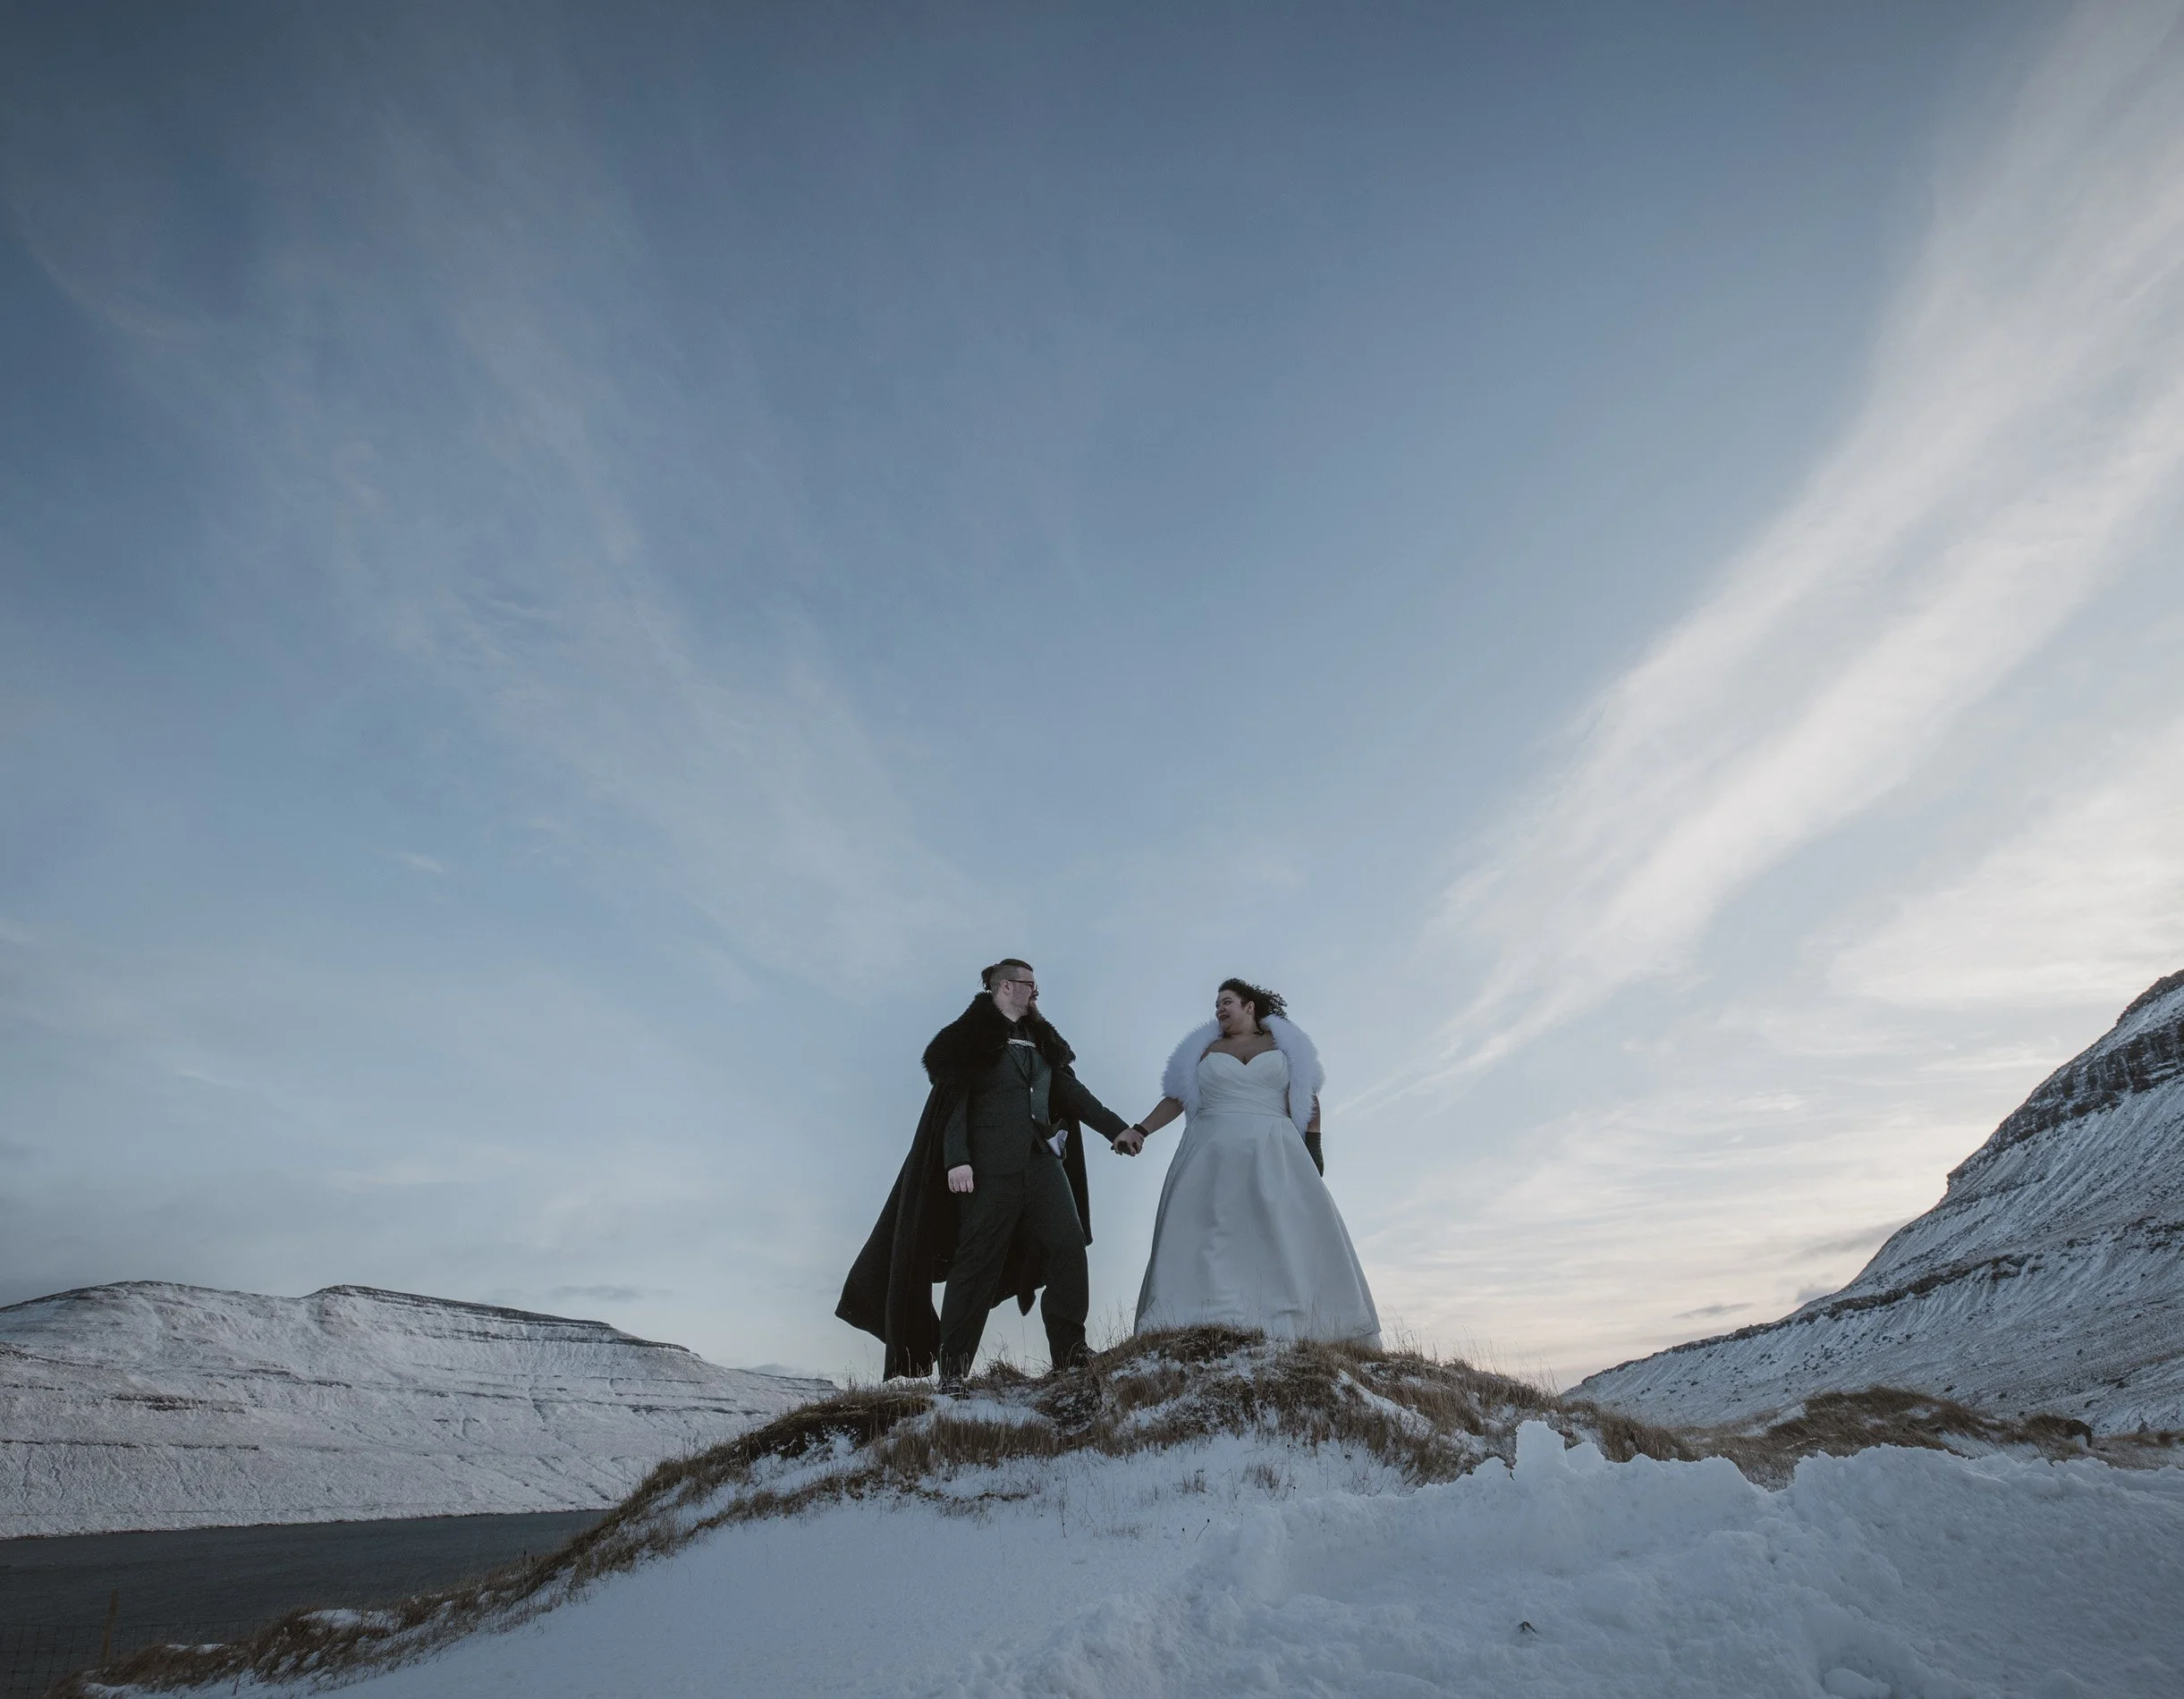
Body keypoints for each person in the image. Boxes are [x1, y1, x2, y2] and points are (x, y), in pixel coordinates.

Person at [836, 959, 1138, 1382]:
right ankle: (954, 1374)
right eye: (1030, 986)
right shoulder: (970, 1038)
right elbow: (953, 1102)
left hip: (1042, 1164)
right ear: (1005, 988)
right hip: (986, 1171)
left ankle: (1070, 1355)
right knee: (976, 1266)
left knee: (1068, 1248)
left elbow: (1071, 1092)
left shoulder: (1041, 1039)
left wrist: (1118, 1128)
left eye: (1037, 987)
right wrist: (957, 1158)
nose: (1036, 993)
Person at [1122, 978, 1380, 1346]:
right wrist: (1140, 1130)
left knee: (1282, 1232)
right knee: (1210, 1232)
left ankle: (1293, 1322)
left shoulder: (1284, 1046)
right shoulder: (1203, 1050)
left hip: (1275, 1148)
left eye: (1226, 1002)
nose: (1219, 1010)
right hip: (1210, 1151)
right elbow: (1175, 1098)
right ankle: (1198, 1317)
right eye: (1216, 1006)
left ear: (1249, 1006)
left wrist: (1314, 1148)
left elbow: (1307, 1100)